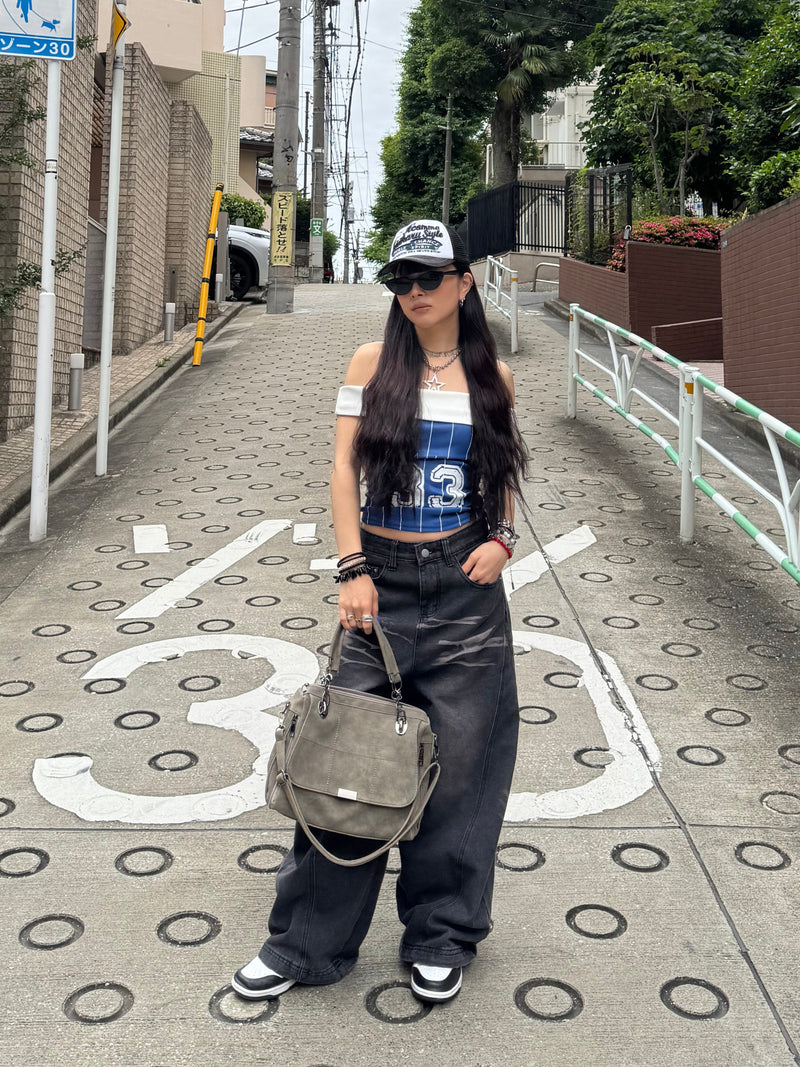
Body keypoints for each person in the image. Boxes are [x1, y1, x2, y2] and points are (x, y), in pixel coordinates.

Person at [233, 219, 528, 1005]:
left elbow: (499, 472)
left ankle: (441, 933)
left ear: (464, 282)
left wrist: (502, 539)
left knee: (464, 773)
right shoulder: (370, 362)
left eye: (430, 276)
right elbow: (341, 466)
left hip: (466, 591)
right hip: (379, 584)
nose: (415, 291)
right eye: (402, 279)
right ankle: (305, 944)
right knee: (344, 767)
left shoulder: (494, 375)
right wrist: (352, 567)